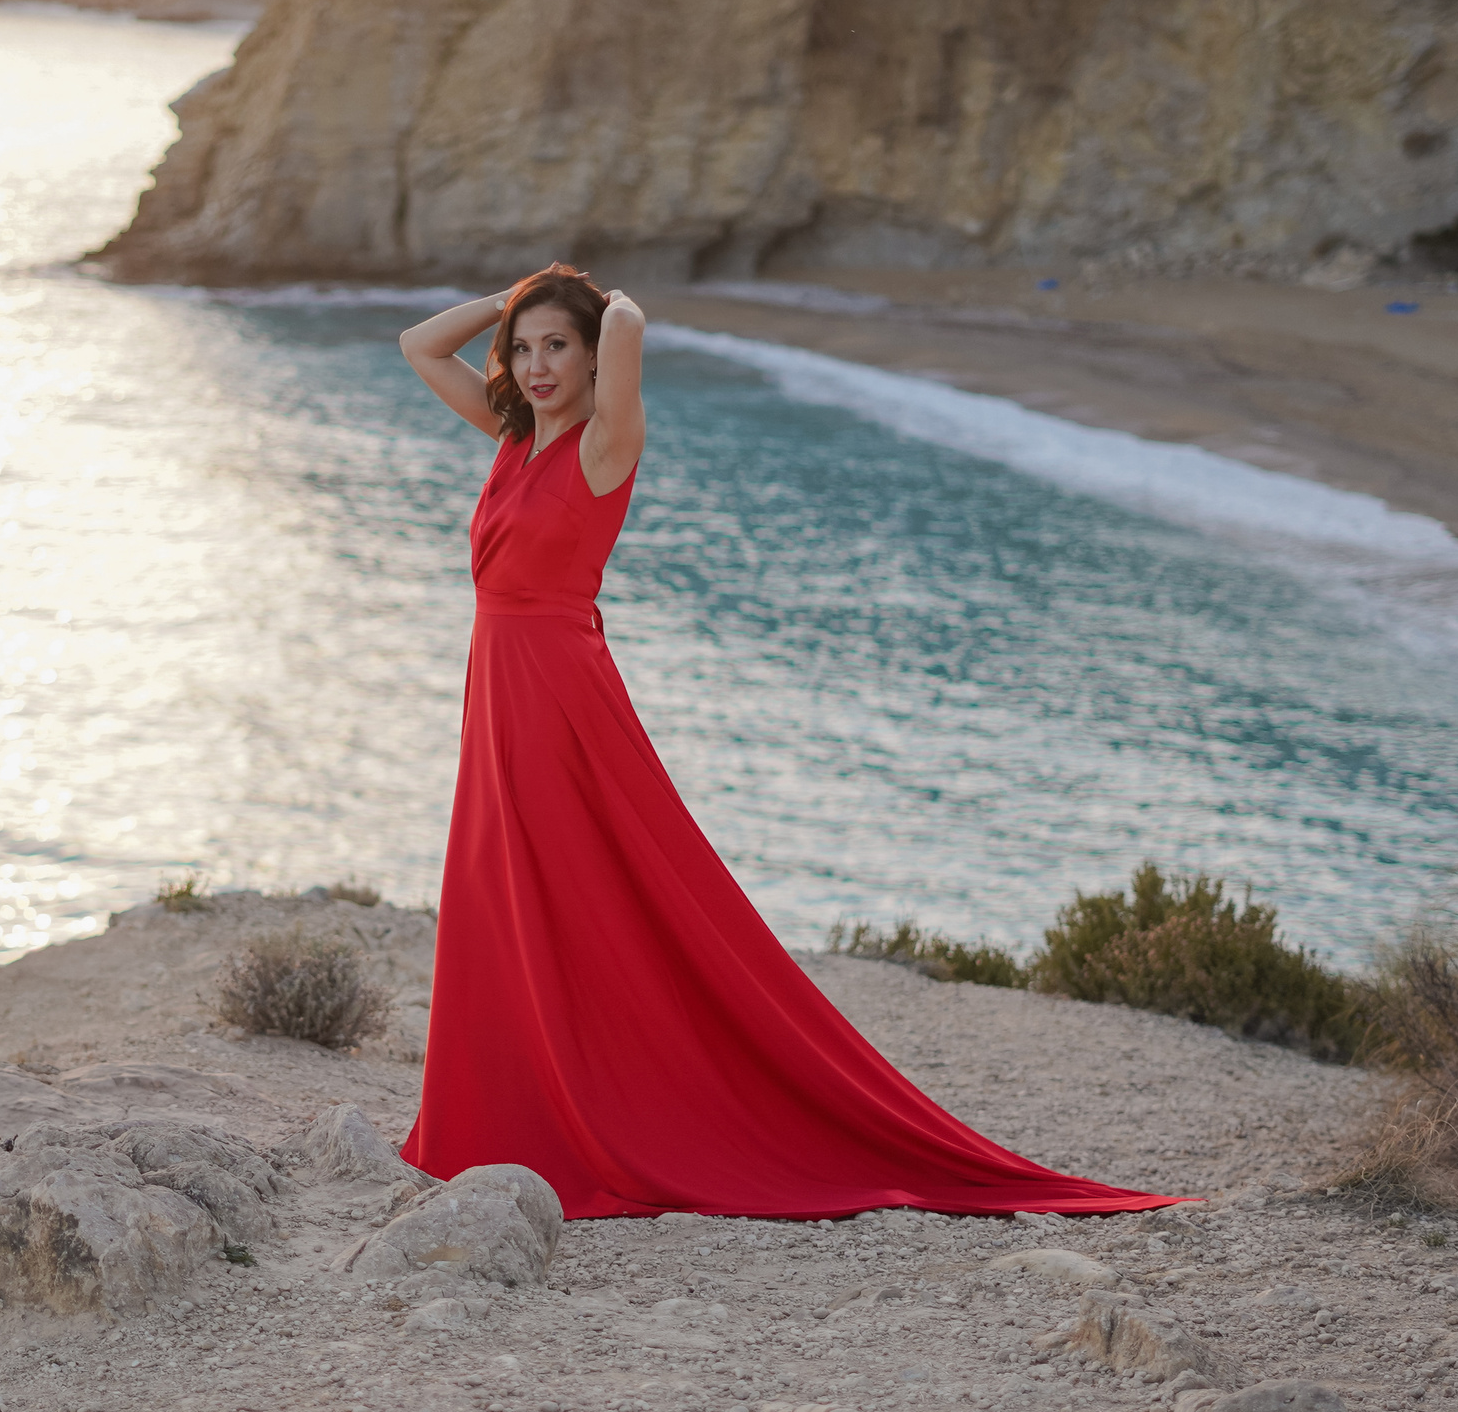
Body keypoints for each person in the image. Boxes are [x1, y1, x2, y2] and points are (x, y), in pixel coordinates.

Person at [393, 263, 1180, 1220]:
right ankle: (508, 1114)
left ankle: (614, 1104)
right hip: (500, 689)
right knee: (505, 895)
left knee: (592, 894)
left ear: (596, 353)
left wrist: (608, 302)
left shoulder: (608, 441)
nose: (537, 363)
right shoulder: (513, 435)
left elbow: (632, 330)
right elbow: (419, 345)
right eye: (523, 350)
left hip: (560, 694)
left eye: (558, 345)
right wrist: (518, 296)